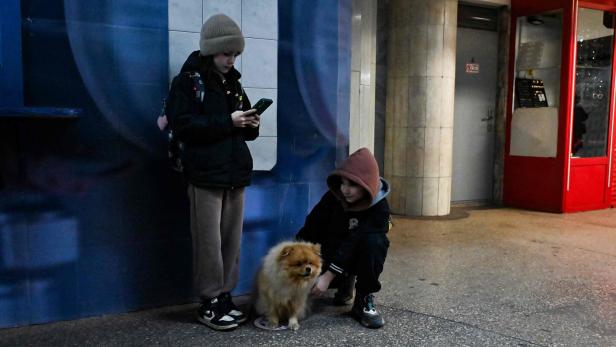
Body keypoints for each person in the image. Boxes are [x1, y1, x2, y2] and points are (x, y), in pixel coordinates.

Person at [166, 14, 259, 331]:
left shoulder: (233, 82)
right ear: (209, 50)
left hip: (234, 174)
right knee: (208, 243)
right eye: (225, 53)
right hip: (205, 175)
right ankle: (208, 301)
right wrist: (229, 122)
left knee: (231, 242)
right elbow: (184, 125)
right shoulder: (189, 82)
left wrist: (250, 124)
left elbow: (243, 130)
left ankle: (223, 296)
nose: (230, 59)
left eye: (234, 53)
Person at [296, 148, 391, 329]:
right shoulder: (334, 198)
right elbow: (310, 229)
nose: (345, 190)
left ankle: (363, 299)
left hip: (356, 254)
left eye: (353, 185)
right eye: (342, 183)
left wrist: (327, 277)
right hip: (334, 250)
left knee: (375, 243)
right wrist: (298, 265)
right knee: (315, 239)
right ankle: (344, 282)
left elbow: (354, 241)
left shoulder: (380, 208)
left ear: (366, 184)